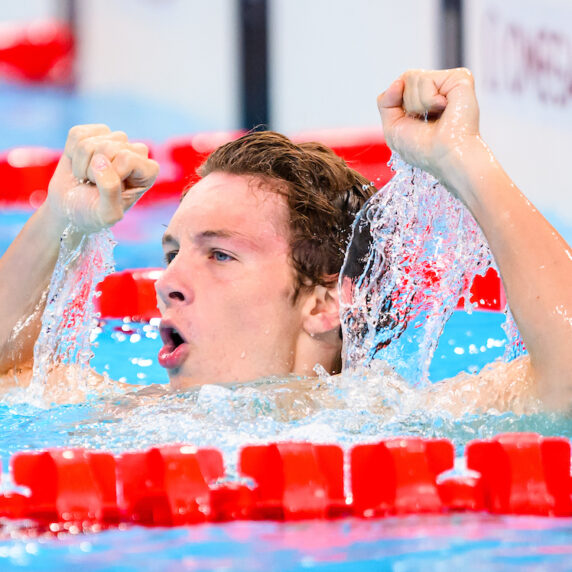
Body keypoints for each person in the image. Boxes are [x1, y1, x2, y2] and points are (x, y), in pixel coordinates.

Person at [0, 68, 571, 413]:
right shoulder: (125, 416)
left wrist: (460, 158)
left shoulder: (400, 422)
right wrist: (59, 220)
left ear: (323, 304)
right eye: (173, 253)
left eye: (220, 255)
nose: (167, 284)